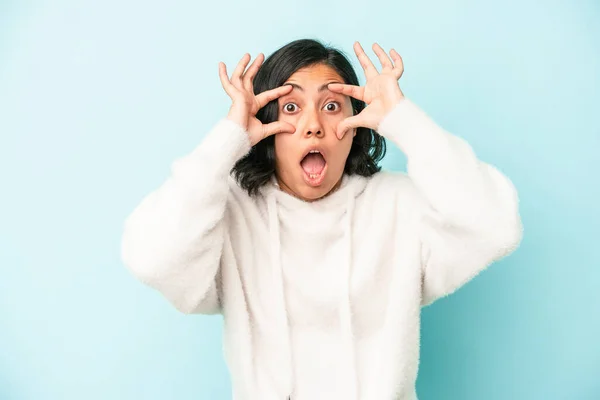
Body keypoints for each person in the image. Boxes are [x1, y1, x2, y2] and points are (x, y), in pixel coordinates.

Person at [121, 38, 523, 400]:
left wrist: (404, 120)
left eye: (332, 106)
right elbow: (152, 258)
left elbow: (495, 227)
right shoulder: (230, 214)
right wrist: (228, 138)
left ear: (356, 126)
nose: (313, 125)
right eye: (291, 108)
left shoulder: (400, 207)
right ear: (265, 125)